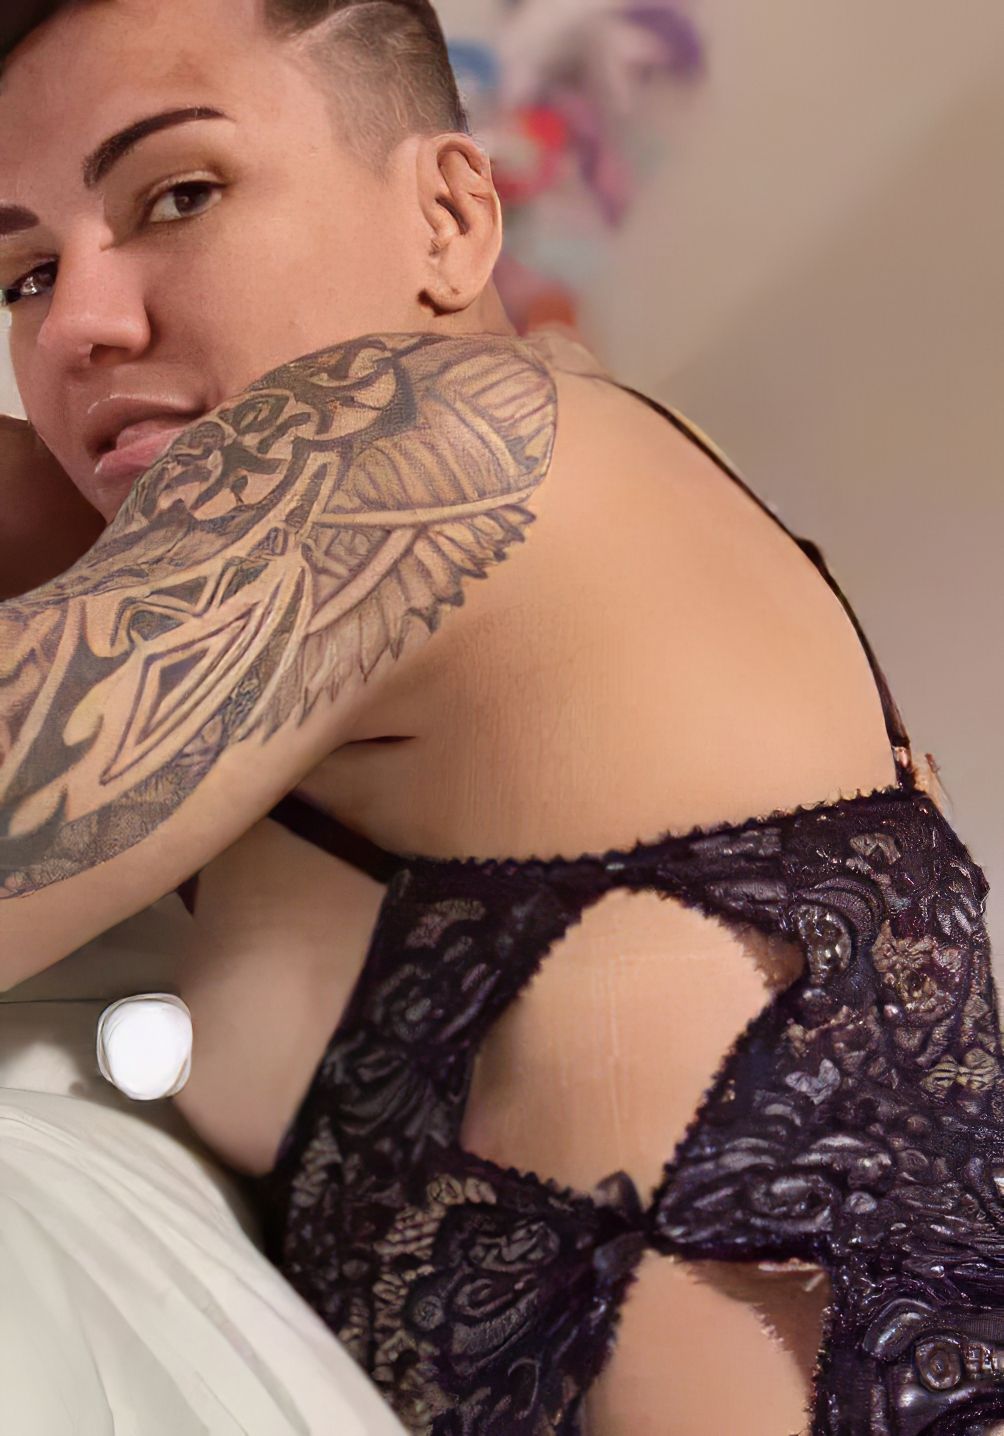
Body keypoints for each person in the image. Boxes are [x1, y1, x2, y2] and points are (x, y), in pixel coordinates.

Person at [0, 2, 1001, 1433]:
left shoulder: (423, 436)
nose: (77, 326)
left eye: (181, 195)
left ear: (451, 216)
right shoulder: (480, 525)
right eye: (25, 275)